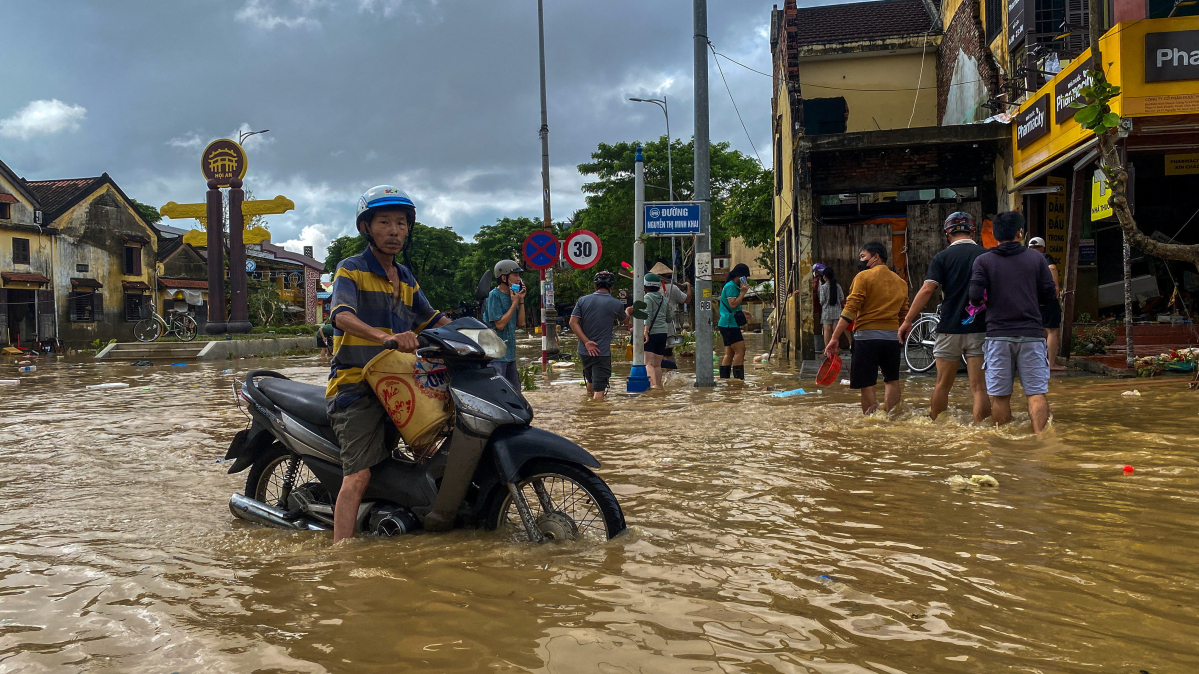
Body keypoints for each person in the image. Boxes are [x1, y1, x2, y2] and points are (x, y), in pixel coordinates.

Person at [327, 185, 451, 543]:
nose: (395, 230)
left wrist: (476, 337)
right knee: (358, 476)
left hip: (400, 381)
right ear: (366, 227)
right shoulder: (350, 269)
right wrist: (383, 337)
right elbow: (341, 315)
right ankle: (341, 554)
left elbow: (431, 318)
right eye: (385, 222)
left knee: (433, 446)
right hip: (356, 387)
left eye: (401, 223)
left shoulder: (407, 277)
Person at [968, 211, 1057, 433]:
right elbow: (1049, 294)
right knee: (1036, 393)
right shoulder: (1037, 259)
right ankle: (1040, 442)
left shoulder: (983, 260)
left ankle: (1002, 447)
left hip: (998, 336)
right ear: (1020, 232)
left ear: (995, 235)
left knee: (999, 398)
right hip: (1031, 335)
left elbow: (975, 296)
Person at [899, 212, 991, 423]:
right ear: (973, 231)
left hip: (949, 328)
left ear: (948, 234)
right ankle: (982, 432)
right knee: (979, 387)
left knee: (942, 384)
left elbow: (926, 290)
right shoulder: (985, 256)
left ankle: (936, 429)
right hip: (979, 328)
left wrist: (907, 320)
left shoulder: (941, 258)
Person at [825, 242, 910, 414]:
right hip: (892, 339)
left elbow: (850, 309)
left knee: (867, 385)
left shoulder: (863, 277)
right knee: (892, 380)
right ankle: (892, 420)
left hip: (866, 339)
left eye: (863, 256)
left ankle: (872, 423)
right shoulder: (901, 282)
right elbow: (904, 315)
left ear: (876, 257)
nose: (861, 260)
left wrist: (834, 338)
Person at [568, 270, 631, 399]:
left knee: (590, 382)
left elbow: (573, 322)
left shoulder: (582, 300)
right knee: (599, 390)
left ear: (595, 286)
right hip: (601, 352)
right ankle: (596, 415)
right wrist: (628, 311)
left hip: (584, 351)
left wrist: (586, 342)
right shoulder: (616, 303)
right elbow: (625, 321)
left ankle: (588, 408)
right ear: (612, 287)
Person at [482, 259, 527, 389]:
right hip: (496, 356)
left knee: (516, 391)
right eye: (515, 275)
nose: (519, 279)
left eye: (519, 275)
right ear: (504, 277)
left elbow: (521, 323)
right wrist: (514, 304)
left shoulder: (514, 296)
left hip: (510, 354)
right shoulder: (494, 296)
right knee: (499, 391)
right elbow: (500, 325)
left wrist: (521, 301)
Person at [1026, 237, 1066, 371]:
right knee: (1052, 331)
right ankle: (1051, 363)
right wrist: (1056, 287)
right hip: (1046, 299)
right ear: (1042, 247)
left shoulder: (1025, 259)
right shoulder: (1044, 256)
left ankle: (1038, 362)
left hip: (1031, 300)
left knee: (1039, 331)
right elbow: (1052, 267)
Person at [652, 261, 692, 370]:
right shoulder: (673, 288)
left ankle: (655, 379)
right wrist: (688, 286)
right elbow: (687, 299)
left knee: (652, 356)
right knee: (668, 354)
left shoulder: (646, 289)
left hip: (650, 326)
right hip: (667, 326)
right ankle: (671, 377)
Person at [717, 263, 752, 380]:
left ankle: (725, 380)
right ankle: (738, 381)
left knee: (730, 353)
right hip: (729, 324)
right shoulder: (731, 287)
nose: (745, 280)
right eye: (744, 278)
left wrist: (742, 312)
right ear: (738, 276)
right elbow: (732, 304)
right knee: (741, 350)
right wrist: (743, 293)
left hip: (727, 323)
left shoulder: (731, 286)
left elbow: (732, 306)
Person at [642, 273, 670, 388]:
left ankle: (654, 387)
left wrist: (645, 331)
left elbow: (647, 315)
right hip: (663, 333)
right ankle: (658, 386)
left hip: (652, 333)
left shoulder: (647, 298)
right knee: (657, 365)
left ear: (645, 286)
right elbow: (669, 318)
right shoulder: (664, 299)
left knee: (648, 363)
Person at [818, 267, 846, 354]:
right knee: (835, 331)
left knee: (827, 330)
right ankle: (835, 350)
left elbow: (822, 300)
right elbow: (842, 298)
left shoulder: (823, 287)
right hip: (837, 312)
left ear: (825, 276)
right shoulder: (838, 286)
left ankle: (827, 350)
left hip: (826, 312)